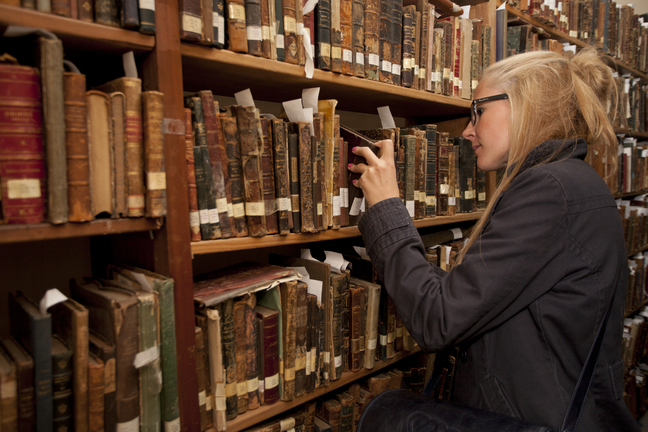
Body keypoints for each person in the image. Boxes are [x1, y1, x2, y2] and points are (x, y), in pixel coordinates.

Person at [348, 47, 640, 431]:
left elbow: (438, 319)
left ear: (525, 105)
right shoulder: (577, 182)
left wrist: (386, 206)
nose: (468, 129)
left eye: (478, 110)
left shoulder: (550, 190)